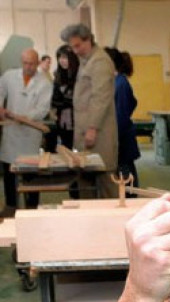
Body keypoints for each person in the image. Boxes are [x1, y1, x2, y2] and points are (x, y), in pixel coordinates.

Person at [60, 23, 118, 198]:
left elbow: (101, 97)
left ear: (89, 40)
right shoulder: (86, 61)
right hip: (86, 134)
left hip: (97, 133)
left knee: (106, 182)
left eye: (78, 45)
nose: (75, 51)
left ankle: (113, 223)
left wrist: (92, 128)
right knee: (86, 183)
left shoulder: (100, 62)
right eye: (72, 47)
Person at [0, 48, 52, 214]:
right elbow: (0, 92)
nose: (28, 66)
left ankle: (32, 206)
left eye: (32, 63)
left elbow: (42, 109)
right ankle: (10, 205)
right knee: (9, 169)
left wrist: (23, 117)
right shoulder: (9, 76)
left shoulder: (45, 83)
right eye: (25, 63)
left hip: (30, 133)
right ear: (21, 62)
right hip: (10, 131)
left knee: (30, 171)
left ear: (37, 63)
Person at [104, 47, 140, 186]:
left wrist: (112, 139)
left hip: (121, 140)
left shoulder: (121, 84)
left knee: (126, 177)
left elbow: (121, 117)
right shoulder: (114, 82)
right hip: (117, 138)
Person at [47, 44, 79, 154]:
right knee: (66, 149)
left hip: (80, 120)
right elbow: (55, 100)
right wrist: (66, 103)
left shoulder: (80, 75)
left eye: (65, 57)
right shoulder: (58, 76)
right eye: (59, 57)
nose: (62, 60)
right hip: (63, 120)